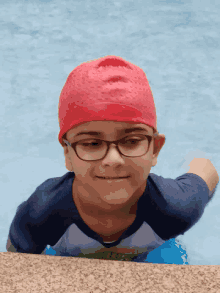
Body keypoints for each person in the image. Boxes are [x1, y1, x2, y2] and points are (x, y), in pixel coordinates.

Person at [6, 55, 219, 264]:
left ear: (154, 149)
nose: (113, 159)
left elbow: (207, 170)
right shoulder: (40, 213)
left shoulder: (175, 208)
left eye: (132, 140)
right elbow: (16, 266)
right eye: (92, 143)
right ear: (67, 154)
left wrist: (192, 161)